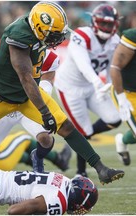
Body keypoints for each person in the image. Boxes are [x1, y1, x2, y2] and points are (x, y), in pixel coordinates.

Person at [0, 1, 124, 185]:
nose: (57, 38)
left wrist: (46, 109)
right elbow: (25, 78)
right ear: (39, 27)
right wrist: (45, 112)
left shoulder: (41, 38)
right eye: (54, 34)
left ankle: (101, 168)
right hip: (1, 98)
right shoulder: (18, 38)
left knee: (66, 127)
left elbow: (37, 81)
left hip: (27, 96)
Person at [0, 40, 71, 173]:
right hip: (3, 105)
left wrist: (39, 97)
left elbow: (45, 87)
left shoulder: (49, 58)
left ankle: (40, 162)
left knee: (45, 138)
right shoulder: (0, 49)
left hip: (26, 105)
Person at [53, 3, 122, 177]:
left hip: (91, 86)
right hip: (70, 88)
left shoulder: (115, 41)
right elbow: (83, 64)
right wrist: (98, 82)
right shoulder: (81, 35)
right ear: (94, 22)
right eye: (103, 23)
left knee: (114, 118)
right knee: (84, 131)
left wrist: (114, 88)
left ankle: (78, 138)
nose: (106, 27)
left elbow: (111, 67)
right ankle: (81, 173)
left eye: (109, 24)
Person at [109, 27, 136, 166]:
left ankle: (122, 140)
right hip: (128, 93)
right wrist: (121, 98)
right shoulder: (134, 37)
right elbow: (115, 67)